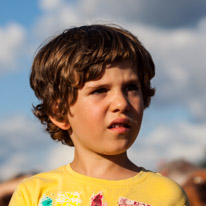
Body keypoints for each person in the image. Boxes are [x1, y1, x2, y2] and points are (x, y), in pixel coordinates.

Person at [9, 24, 189, 206]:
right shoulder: (34, 194)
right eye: (100, 90)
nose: (121, 103)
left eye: (131, 88)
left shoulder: (168, 196)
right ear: (60, 112)